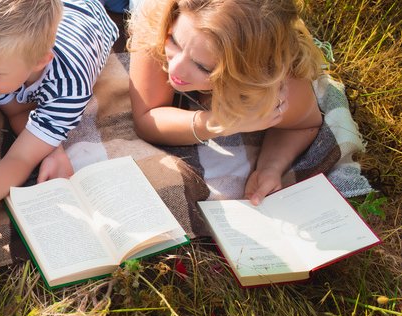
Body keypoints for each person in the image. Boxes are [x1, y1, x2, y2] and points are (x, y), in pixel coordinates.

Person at [128, 0, 326, 205]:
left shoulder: (277, 83)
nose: (175, 69)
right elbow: (147, 118)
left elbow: (302, 126)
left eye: (203, 67)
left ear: (249, 74)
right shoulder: (161, 16)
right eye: (174, 41)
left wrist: (271, 167)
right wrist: (222, 122)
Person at [0, 0, 119, 241]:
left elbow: (21, 157)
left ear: (40, 61)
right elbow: (18, 112)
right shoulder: (1, 62)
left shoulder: (69, 87)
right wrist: (51, 148)